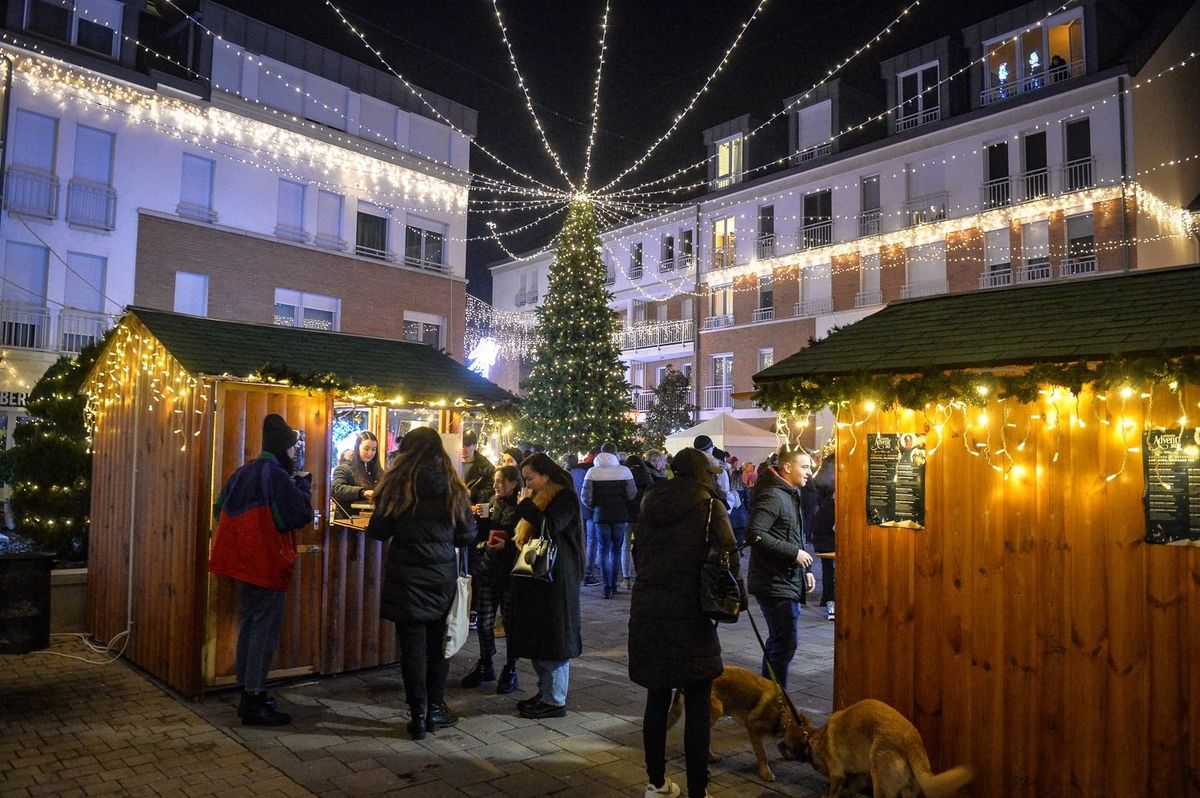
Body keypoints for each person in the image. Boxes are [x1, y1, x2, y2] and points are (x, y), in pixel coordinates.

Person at [629, 447, 737, 798]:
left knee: (656, 699)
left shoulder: (648, 503)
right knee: (698, 702)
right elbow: (729, 558)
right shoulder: (709, 506)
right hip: (692, 613)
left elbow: (637, 552)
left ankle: (656, 783)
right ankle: (697, 791)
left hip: (649, 609)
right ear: (703, 472)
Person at [366, 427, 475, 740]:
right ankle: (436, 708)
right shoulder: (453, 487)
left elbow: (378, 531)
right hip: (440, 579)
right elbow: (467, 535)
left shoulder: (396, 484)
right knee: (438, 647)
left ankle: (417, 716)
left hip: (406, 578)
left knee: (412, 649)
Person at [209, 414, 312, 726]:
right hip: (265, 563)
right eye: (293, 448)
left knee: (250, 626)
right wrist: (304, 489)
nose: (295, 453)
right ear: (283, 448)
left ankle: (247, 693)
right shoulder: (278, 476)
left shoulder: (242, 472)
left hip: (240, 564)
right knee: (263, 633)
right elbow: (296, 517)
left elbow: (218, 510)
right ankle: (254, 700)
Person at [509, 453, 584, 719]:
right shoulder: (539, 497)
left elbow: (550, 527)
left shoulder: (564, 497)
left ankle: (555, 700)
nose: (527, 485)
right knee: (540, 639)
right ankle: (544, 692)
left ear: (546, 475)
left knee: (554, 641)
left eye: (530, 479)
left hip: (558, 580)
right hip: (540, 580)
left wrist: (526, 506)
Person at [745, 443, 816, 690]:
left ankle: (773, 698)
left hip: (784, 578)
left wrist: (805, 569)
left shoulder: (789, 493)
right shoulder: (773, 495)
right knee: (784, 643)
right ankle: (774, 700)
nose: (810, 472)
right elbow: (754, 534)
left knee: (782, 642)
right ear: (787, 467)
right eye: (805, 466)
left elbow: (792, 534)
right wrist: (794, 554)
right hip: (773, 581)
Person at [461, 465, 523, 695]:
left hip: (510, 573)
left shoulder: (522, 506)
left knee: (510, 622)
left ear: (513, 483)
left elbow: (525, 539)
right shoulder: (492, 501)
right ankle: (486, 662)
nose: (496, 486)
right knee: (485, 622)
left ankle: (511, 668)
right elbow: (483, 533)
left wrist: (507, 544)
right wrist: (479, 520)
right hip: (489, 569)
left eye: (500, 482)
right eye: (495, 481)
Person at [581, 443, 637, 599]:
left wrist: (596, 507)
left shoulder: (592, 472)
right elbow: (632, 493)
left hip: (600, 515)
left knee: (603, 550)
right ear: (616, 453)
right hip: (620, 515)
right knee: (616, 550)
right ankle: (613, 584)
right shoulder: (624, 471)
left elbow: (586, 497)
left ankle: (606, 587)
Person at [807, 450, 836, 621]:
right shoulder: (832, 497)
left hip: (822, 530)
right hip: (827, 532)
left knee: (827, 567)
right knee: (830, 567)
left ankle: (827, 597)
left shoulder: (821, 478)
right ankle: (830, 600)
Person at [567, 451, 600, 586]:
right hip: (589, 511)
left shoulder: (566, 474)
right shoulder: (588, 471)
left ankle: (579, 572)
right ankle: (588, 574)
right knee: (591, 542)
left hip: (575, 513)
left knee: (580, 541)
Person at [331, 431, 381, 518]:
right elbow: (335, 489)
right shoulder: (345, 468)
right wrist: (362, 492)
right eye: (366, 448)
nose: (370, 453)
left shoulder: (378, 470)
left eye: (373, 449)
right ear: (357, 448)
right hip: (348, 522)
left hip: (372, 521)